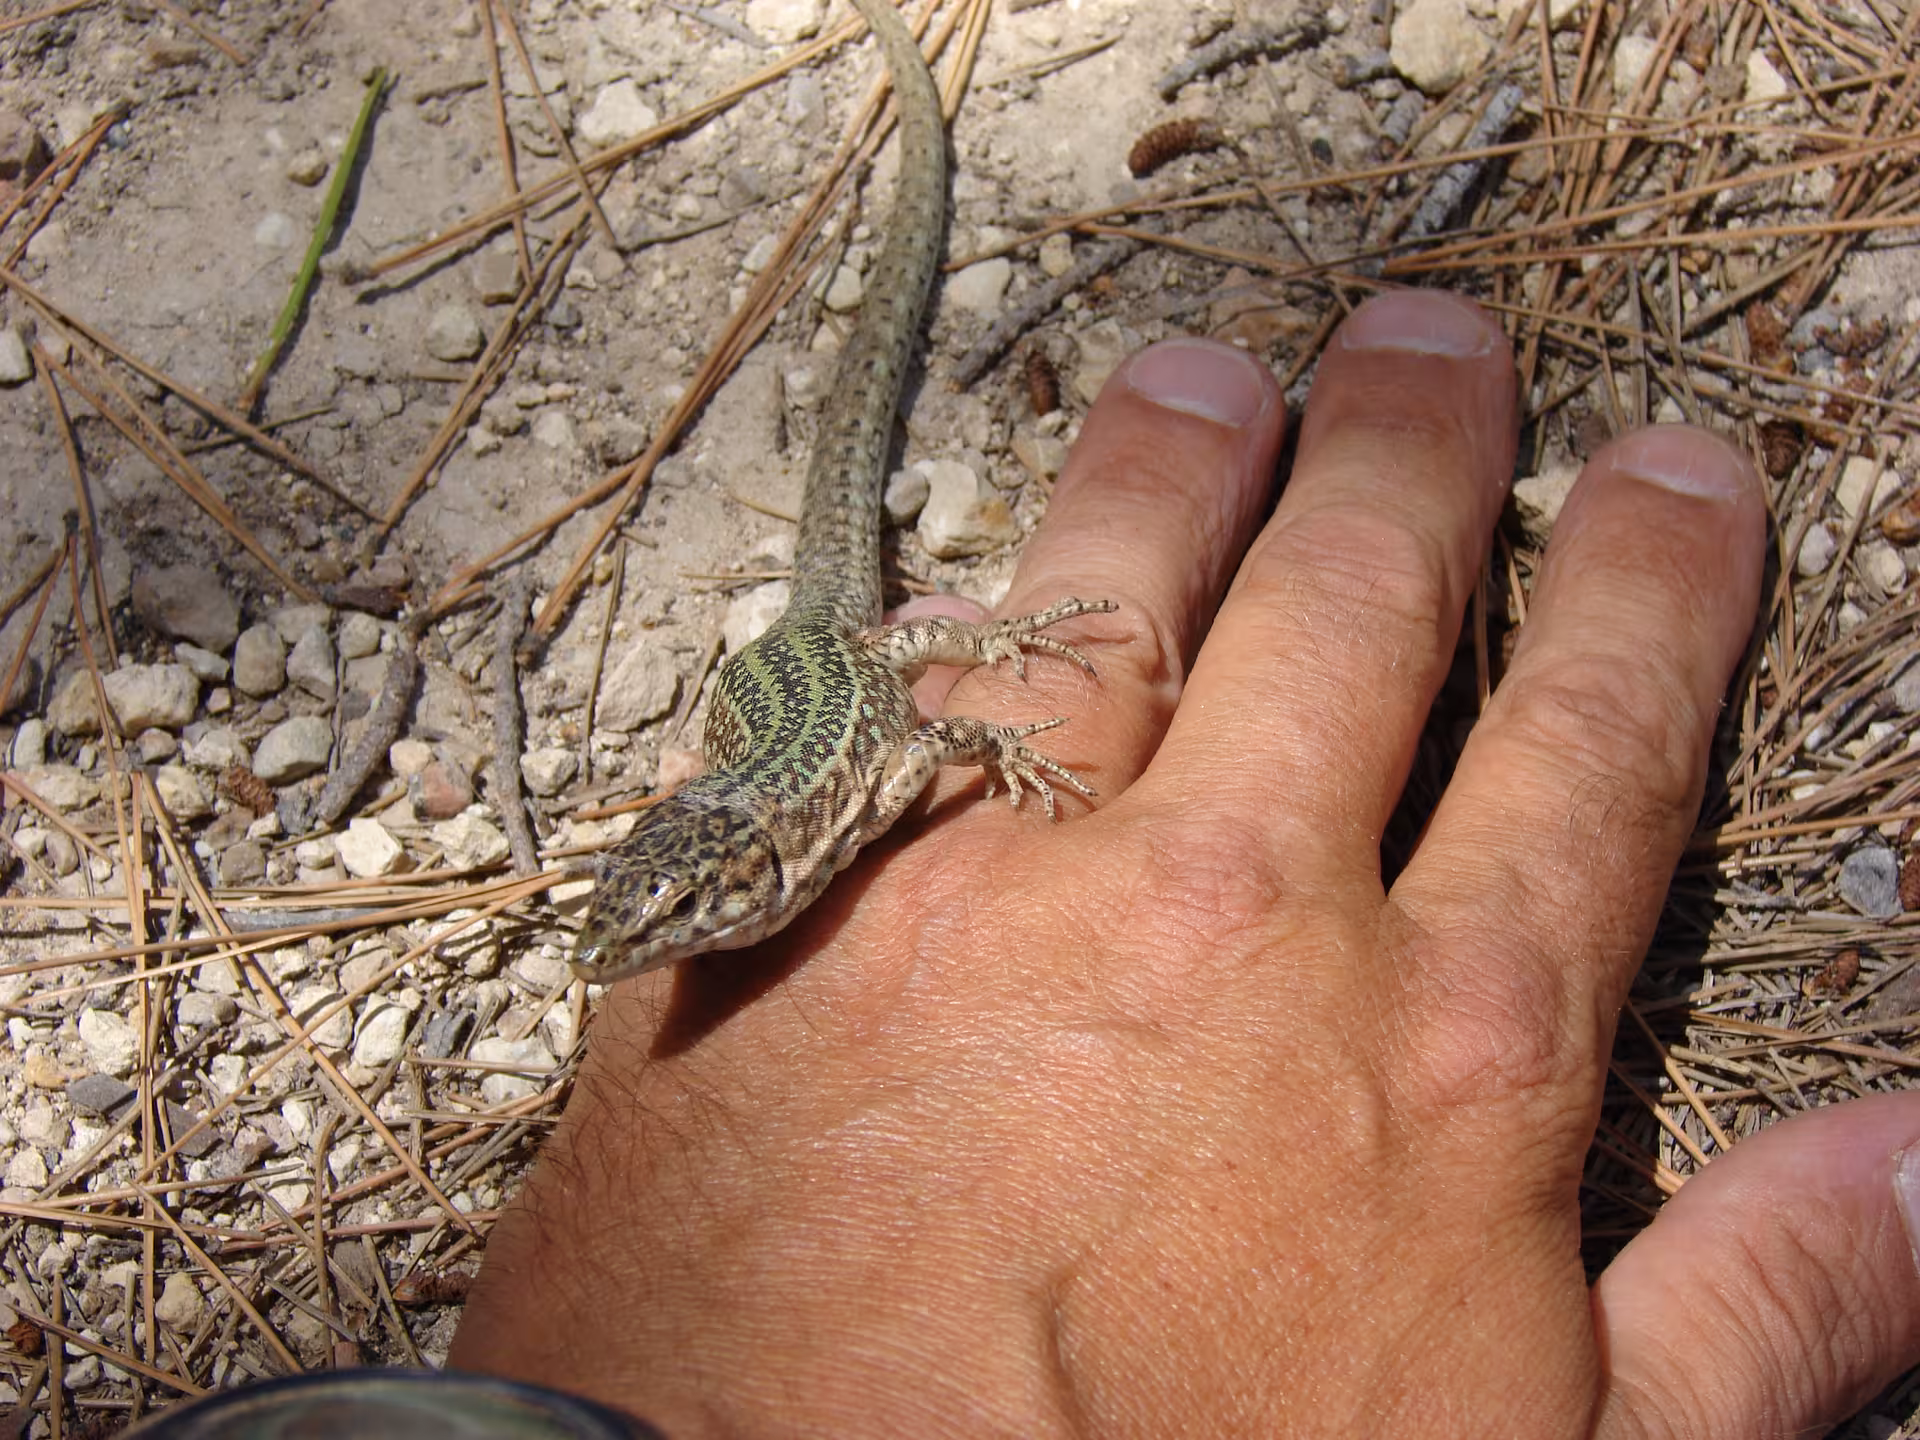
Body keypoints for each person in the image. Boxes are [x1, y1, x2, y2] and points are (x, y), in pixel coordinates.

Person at [445, 291, 1919, 1437]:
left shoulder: (857, 769)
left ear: (747, 865)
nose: (665, 939)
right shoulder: (741, 855)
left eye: (690, 902)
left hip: (842, 671)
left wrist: (1009, 690)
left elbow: (919, 721)